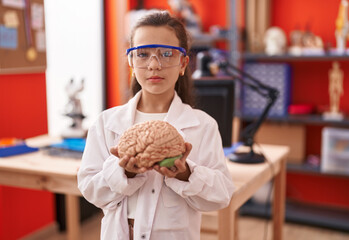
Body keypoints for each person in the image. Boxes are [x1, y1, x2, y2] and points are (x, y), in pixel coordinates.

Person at [77, 11, 235, 240]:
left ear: (183, 63)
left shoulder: (203, 125)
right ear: (131, 61)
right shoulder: (106, 123)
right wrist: (123, 172)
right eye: (142, 54)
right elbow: (91, 189)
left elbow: (222, 195)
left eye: (167, 54)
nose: (154, 65)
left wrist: (186, 174)